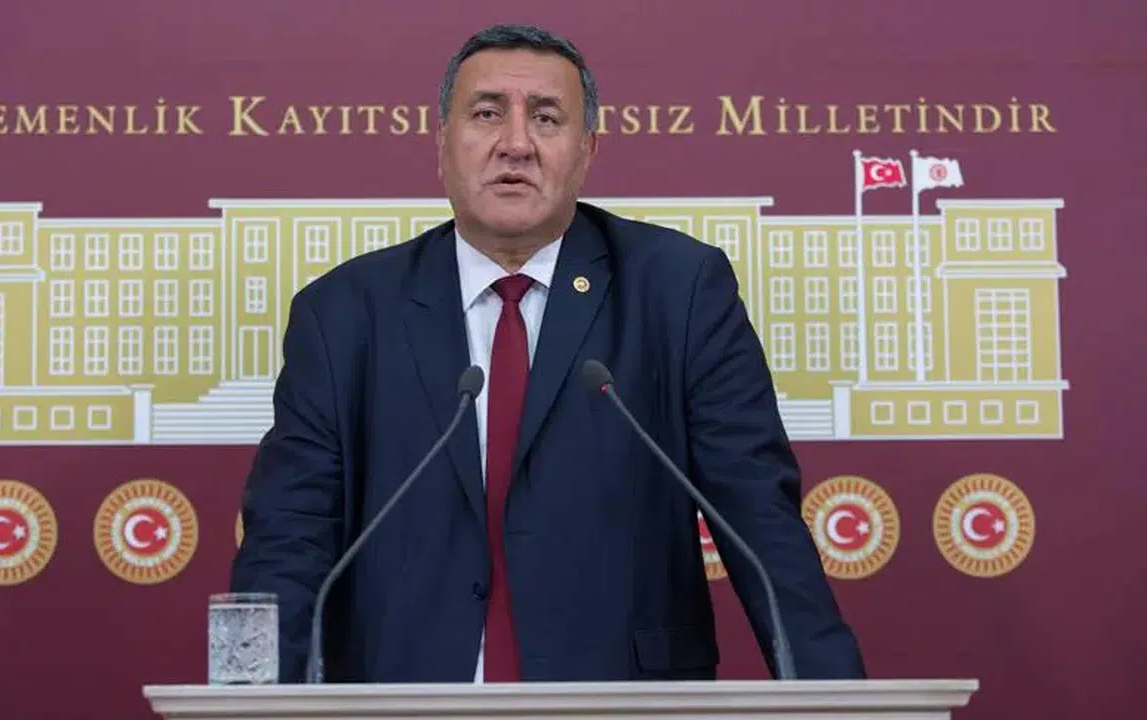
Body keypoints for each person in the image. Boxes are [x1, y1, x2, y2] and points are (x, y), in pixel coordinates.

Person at [230, 23, 866, 684]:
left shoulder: (678, 291)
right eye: (486, 114)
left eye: (546, 118)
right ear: (442, 143)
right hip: (405, 697)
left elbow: (760, 521)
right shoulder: (343, 313)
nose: (515, 144)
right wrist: (249, 695)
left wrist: (837, 697)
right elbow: (289, 536)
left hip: (624, 699)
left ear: (587, 149)